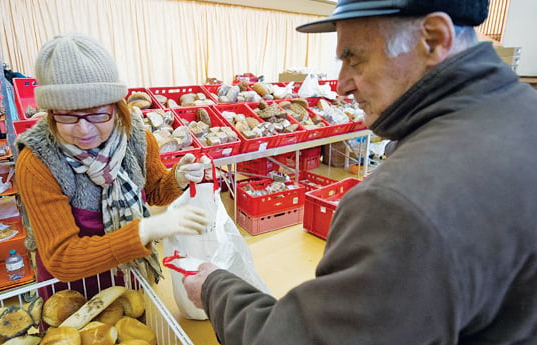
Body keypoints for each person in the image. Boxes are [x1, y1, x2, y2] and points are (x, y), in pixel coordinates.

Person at [183, 1, 537, 344]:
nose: (341, 84)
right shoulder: (523, 112)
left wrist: (216, 287)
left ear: (433, 39)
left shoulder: (399, 202)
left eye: (354, 58)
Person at [15, 33, 209, 297]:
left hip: (131, 278)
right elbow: (62, 258)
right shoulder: (38, 162)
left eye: (97, 113)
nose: (83, 129)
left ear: (117, 107)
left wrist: (179, 178)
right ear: (50, 113)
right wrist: (146, 230)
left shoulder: (137, 139)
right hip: (72, 293)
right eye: (67, 116)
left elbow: (154, 193)